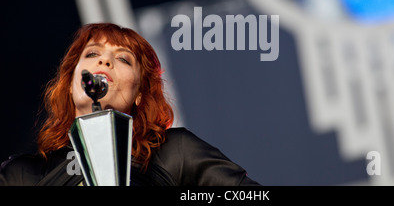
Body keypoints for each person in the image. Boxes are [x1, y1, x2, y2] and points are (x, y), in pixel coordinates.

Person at [0, 23, 260, 186]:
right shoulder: (24, 175)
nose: (104, 62)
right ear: (71, 84)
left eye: (123, 59)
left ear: (139, 93)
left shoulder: (174, 151)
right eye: (92, 54)